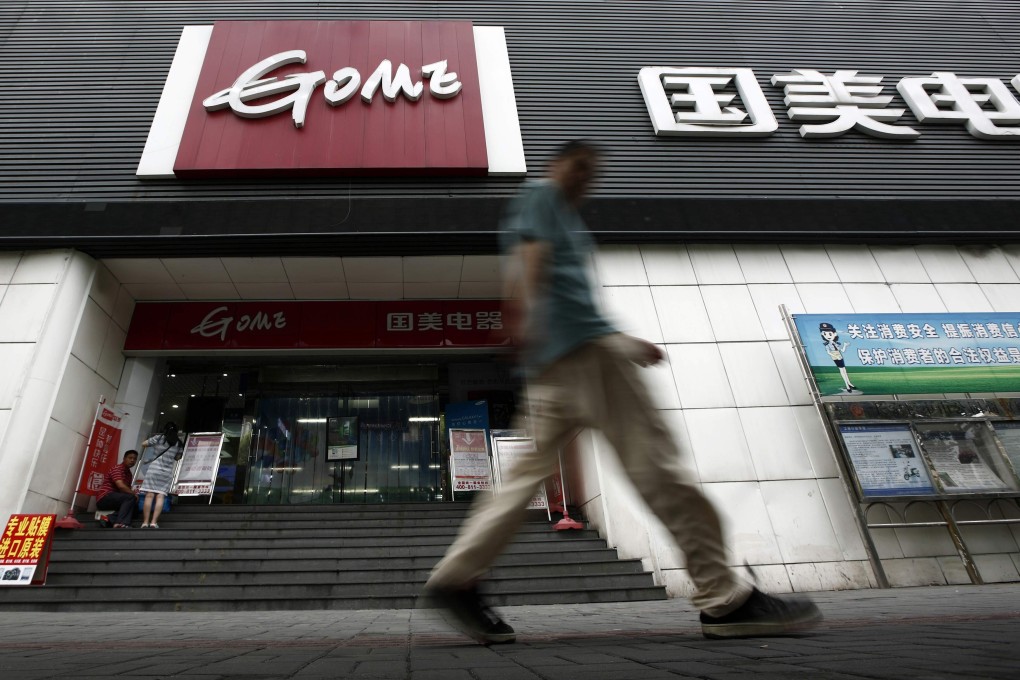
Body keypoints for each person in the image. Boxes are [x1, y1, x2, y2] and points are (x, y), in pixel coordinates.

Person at [422, 140, 822, 643]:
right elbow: (532, 261)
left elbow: (561, 287)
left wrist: (614, 338)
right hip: (586, 357)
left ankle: (457, 578)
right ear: (557, 164)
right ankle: (724, 598)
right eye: (581, 165)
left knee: (520, 479)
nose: (588, 176)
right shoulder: (543, 196)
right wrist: (522, 317)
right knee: (659, 470)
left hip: (559, 363)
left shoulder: (560, 212)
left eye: (595, 170)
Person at [138, 422, 184, 528]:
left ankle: (145, 522)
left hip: (153, 470)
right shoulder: (178, 442)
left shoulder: (159, 438)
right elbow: (177, 458)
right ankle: (154, 522)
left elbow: (144, 444)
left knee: (149, 495)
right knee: (160, 496)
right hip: (166, 472)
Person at [95, 450, 139, 528]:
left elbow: (126, 491)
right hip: (105, 497)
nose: (132, 460)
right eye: (130, 458)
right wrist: (134, 494)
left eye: (135, 459)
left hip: (117, 499)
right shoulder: (117, 469)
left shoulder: (129, 474)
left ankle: (108, 518)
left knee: (135, 507)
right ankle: (120, 523)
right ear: (124, 458)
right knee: (131, 498)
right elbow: (121, 486)